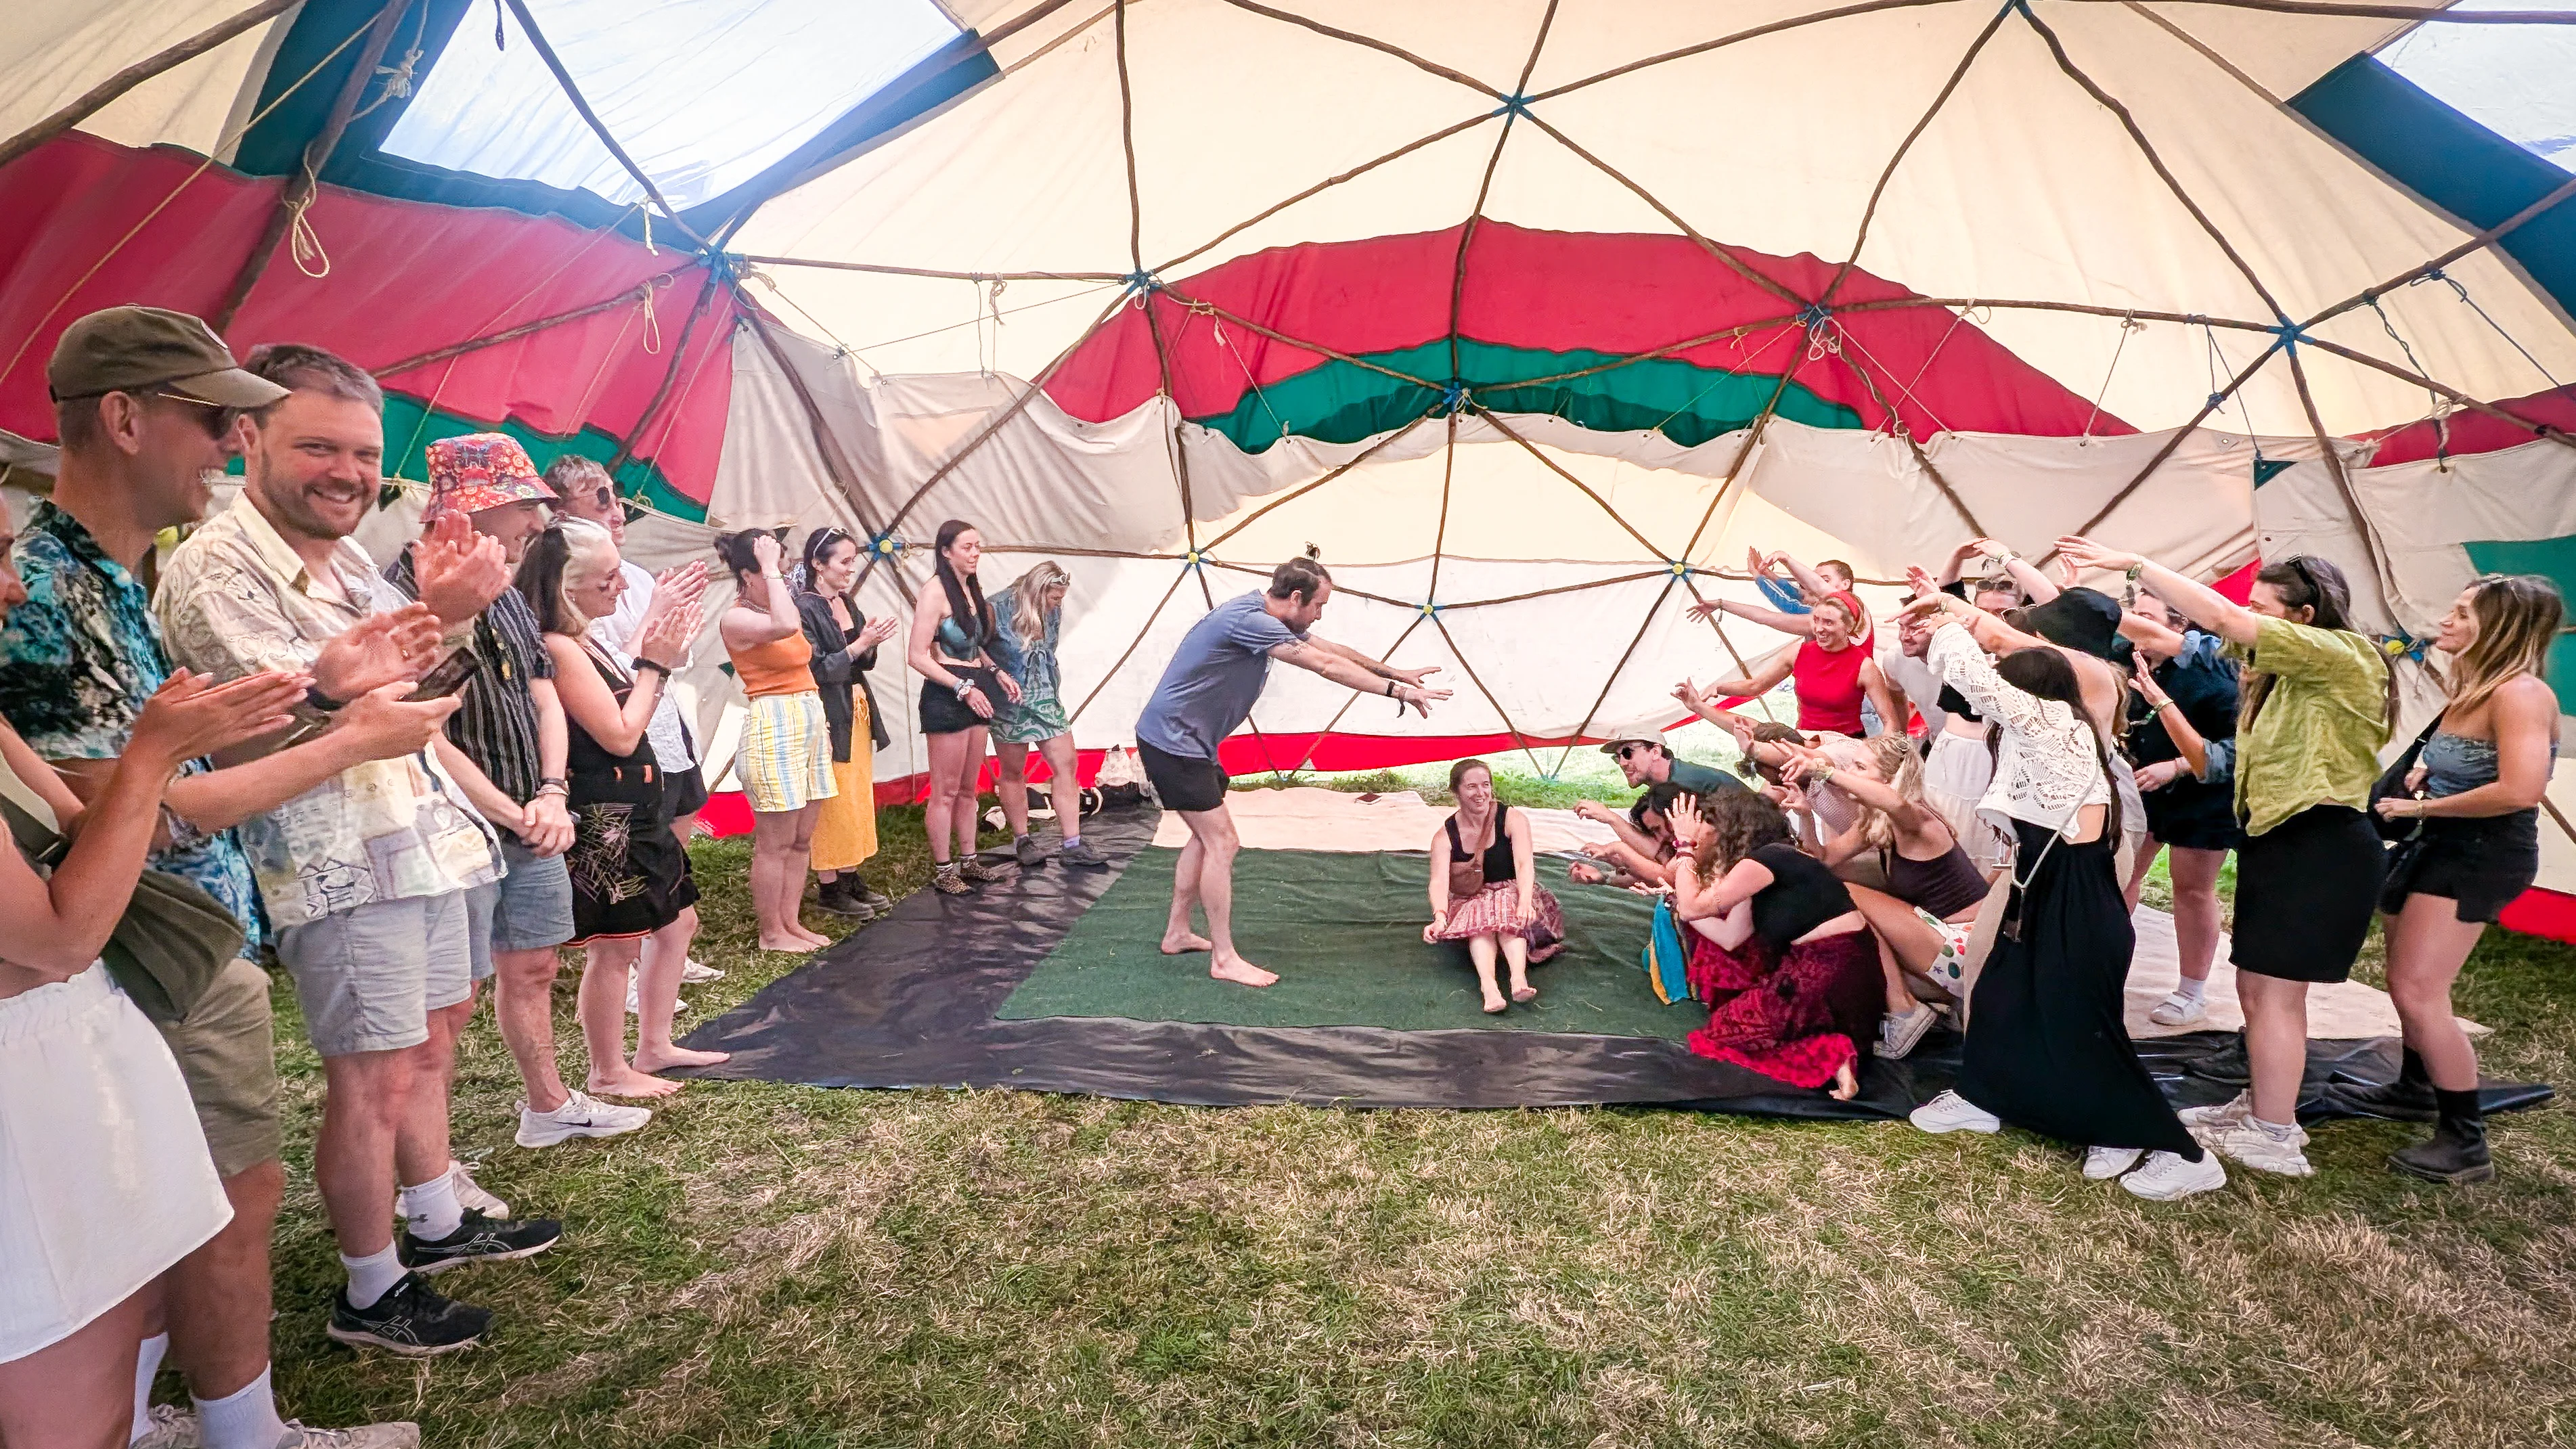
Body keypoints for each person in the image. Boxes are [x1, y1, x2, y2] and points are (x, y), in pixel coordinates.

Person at [0, 308, 447, 1447]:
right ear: (125, 418)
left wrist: (326, 691)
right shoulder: (54, 588)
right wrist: (345, 736)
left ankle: (154, 1416)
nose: (230, 447)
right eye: (216, 421)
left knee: (172, 1212)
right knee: (218, 1200)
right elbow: (130, 805)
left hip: (162, 942)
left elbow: (166, 764)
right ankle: (240, 1432)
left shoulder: (112, 574)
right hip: (132, 953)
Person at [157, 341, 562, 1360]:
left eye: (362, 452)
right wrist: (361, 680)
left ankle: (432, 1220)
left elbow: (421, 696)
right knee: (371, 1076)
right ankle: (370, 1291)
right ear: (249, 439)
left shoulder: (342, 561)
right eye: (317, 446)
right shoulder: (217, 566)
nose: (344, 472)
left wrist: (448, 615)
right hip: (336, 862)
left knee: (427, 1044)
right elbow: (264, 732)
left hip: (415, 841)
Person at [0, 514, 329, 1449]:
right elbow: (59, 933)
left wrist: (145, 774)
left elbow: (79, 823)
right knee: (65, 1408)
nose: (14, 589)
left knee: (119, 1347)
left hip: (85, 1038)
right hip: (26, 1078)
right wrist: (147, 759)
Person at [2059, 538, 2393, 1180]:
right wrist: (2071, 601)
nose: (2249, 613)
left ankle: (2275, 1134)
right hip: (2280, 836)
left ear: (2304, 615)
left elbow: (2219, 621)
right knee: (2255, 985)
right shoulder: (2285, 665)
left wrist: (2129, 561)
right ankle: (2264, 1107)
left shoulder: (2345, 654)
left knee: (2276, 993)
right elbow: (2165, 635)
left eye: (2263, 605)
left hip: (2319, 841)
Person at [1901, 588, 2225, 1201]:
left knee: (2083, 1021)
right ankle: (1986, 1094)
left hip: (2079, 891)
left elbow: (1973, 674)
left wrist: (1947, 619)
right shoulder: (2040, 727)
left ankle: (2182, 1152)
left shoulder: (2055, 723)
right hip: (2041, 880)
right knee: (2000, 985)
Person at [383, 435, 648, 1156]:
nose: (538, 522)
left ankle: (549, 1103)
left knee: (534, 964)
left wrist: (553, 791)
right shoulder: (406, 592)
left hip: (533, 812)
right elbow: (419, 727)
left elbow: (542, 696)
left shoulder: (504, 588)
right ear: (478, 507)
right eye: (526, 506)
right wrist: (510, 810)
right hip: (455, 824)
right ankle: (427, 1171)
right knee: (449, 1002)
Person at [1135, 550, 1450, 985]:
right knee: (1222, 842)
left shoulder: (1269, 614)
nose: (1320, 616)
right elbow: (1322, 664)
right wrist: (1394, 691)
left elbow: (1330, 650)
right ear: (1297, 597)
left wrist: (1393, 670)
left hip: (1193, 742)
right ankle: (1224, 958)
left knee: (1204, 838)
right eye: (1319, 606)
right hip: (1173, 743)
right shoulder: (1248, 620)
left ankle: (1177, 932)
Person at [2364, 575, 2562, 1182]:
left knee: (2420, 989)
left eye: (2462, 613)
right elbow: (2471, 772)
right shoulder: (2473, 690)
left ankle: (2464, 1140)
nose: (2445, 621)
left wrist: (2418, 809)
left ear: (2497, 628)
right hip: (2442, 842)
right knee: (2404, 982)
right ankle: (2415, 1085)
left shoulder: (2520, 695)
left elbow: (2521, 790)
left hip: (2480, 851)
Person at [520, 520, 727, 1096]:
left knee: (677, 919)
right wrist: (656, 666)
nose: (619, 586)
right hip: (606, 817)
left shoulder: (586, 638)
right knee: (616, 948)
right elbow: (618, 732)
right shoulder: (558, 647)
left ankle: (654, 1044)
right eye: (607, 578)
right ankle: (608, 1070)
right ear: (567, 586)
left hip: (636, 806)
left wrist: (657, 641)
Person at [544, 459, 724, 998]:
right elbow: (614, 682)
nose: (617, 509)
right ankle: (623, 974)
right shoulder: (567, 606)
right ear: (562, 511)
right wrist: (656, 637)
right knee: (619, 906)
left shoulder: (633, 576)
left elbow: (666, 658)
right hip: (616, 758)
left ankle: (661, 949)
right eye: (600, 499)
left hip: (661, 735)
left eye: (616, 496)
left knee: (672, 860)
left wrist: (669, 631)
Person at [1779, 732, 1989, 1060]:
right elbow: (1822, 860)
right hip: (1940, 941)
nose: (1852, 773)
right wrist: (1806, 815)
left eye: (1861, 768)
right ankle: (1920, 1006)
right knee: (1832, 887)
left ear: (1890, 779)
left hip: (1970, 948)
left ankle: (1905, 1012)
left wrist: (1823, 770)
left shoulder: (1915, 819)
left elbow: (1894, 801)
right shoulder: (1875, 822)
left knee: (1843, 894)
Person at [1662, 790, 1879, 1100]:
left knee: (1721, 1035)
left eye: (1705, 823)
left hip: (1826, 973)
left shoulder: (1764, 861)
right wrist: (1678, 904)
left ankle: (1832, 1053)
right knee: (1734, 1022)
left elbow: (1695, 907)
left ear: (1729, 828)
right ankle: (1833, 1051)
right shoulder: (1769, 861)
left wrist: (1684, 846)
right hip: (1836, 971)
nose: (1699, 831)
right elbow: (1731, 936)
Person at [2120, 594, 2242, 1028]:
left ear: (2180, 625)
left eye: (2147, 618)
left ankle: (2191, 992)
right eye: (2132, 615)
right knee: (2122, 876)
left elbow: (2243, 747)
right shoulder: (2130, 657)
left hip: (2205, 793)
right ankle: (2102, 972)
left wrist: (2176, 767)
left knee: (2191, 888)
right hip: (2143, 789)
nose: (2135, 625)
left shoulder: (2215, 673)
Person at [715, 529, 835, 952]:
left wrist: (774, 569)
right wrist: (768, 565)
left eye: (782, 567)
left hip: (807, 719)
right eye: (770, 569)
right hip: (774, 723)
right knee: (776, 841)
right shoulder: (736, 617)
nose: (782, 575)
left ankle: (790, 922)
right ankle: (771, 933)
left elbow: (792, 625)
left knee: (802, 838)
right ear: (748, 574)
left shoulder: (777, 603)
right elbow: (786, 624)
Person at [906, 519, 1019, 895]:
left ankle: (970, 861)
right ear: (945, 551)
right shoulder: (934, 592)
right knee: (946, 789)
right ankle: (943, 868)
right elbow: (917, 656)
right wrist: (962, 687)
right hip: (948, 692)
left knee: (970, 788)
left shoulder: (971, 591)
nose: (975, 554)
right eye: (967, 547)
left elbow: (973, 644)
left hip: (978, 687)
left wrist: (995, 670)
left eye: (978, 547)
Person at [795, 527, 901, 916]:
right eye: (843, 562)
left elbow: (861, 661)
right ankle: (829, 885)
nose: (849, 570)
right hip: (827, 711)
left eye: (852, 562)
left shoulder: (845, 602)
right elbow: (816, 668)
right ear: (817, 564)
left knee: (855, 793)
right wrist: (860, 643)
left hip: (855, 708)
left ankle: (851, 873)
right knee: (832, 797)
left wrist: (870, 643)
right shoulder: (804, 608)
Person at [990, 560, 1109, 870]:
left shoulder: (1052, 609)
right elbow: (974, 647)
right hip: (1009, 700)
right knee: (1013, 771)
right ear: (1038, 590)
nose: (1058, 604)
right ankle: (1022, 840)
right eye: (1055, 598)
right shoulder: (996, 608)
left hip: (1045, 697)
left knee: (1066, 763)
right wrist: (996, 672)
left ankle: (1072, 843)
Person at [1423, 757, 1565, 1012]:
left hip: (1514, 890)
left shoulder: (1512, 819)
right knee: (1482, 922)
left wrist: (1524, 902)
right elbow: (1438, 881)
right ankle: (1489, 986)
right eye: (1471, 787)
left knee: (1506, 911)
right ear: (1455, 792)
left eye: (1485, 785)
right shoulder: (1445, 836)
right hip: (1472, 898)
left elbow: (1524, 865)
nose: (1481, 793)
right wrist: (1440, 916)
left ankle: (1517, 977)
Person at [1567, 783, 1683, 889]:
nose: (1661, 838)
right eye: (1653, 833)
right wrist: (1603, 877)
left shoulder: (1698, 833)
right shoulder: (1672, 843)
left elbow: (1670, 879)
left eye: (1657, 829)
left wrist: (1619, 847)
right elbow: (1648, 876)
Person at [1595, 728, 1747, 798]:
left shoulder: (1685, 785)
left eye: (1628, 753)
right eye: (1617, 757)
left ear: (1655, 752)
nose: (1622, 763)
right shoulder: (1670, 781)